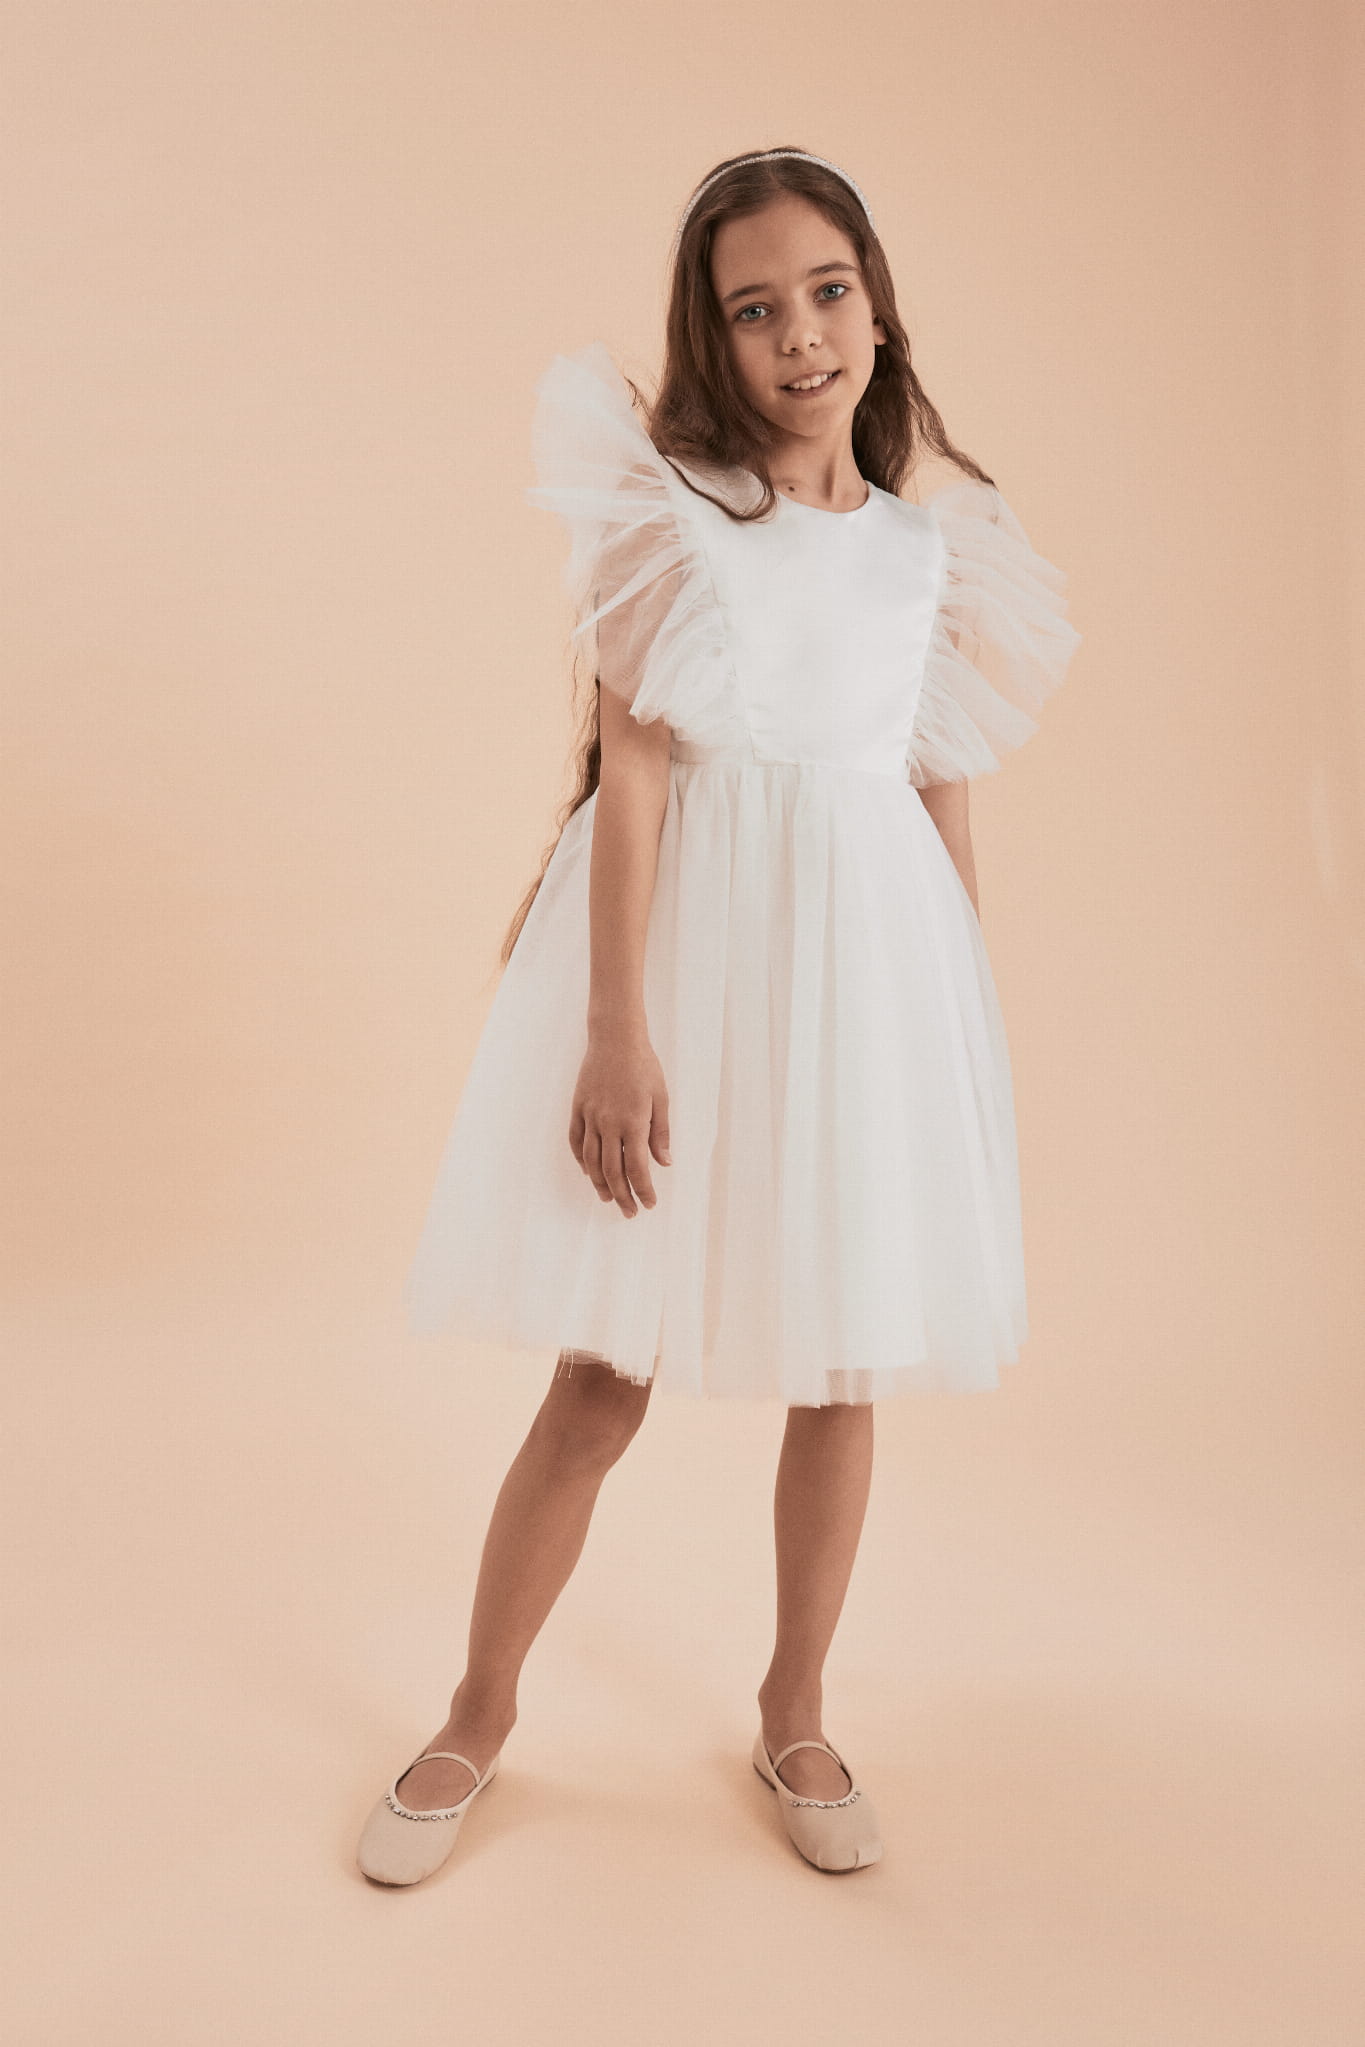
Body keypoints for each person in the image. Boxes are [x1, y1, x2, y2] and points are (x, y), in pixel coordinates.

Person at [356, 146, 1081, 1886]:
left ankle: (795, 1706)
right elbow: (633, 781)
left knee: (843, 1362)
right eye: (755, 310)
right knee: (601, 1375)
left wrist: (951, 1042)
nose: (799, 335)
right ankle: (475, 1711)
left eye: (826, 292)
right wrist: (616, 1030)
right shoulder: (670, 522)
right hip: (693, 972)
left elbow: (938, 802)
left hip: (861, 990)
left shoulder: (933, 554)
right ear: (715, 338)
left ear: (876, 305)